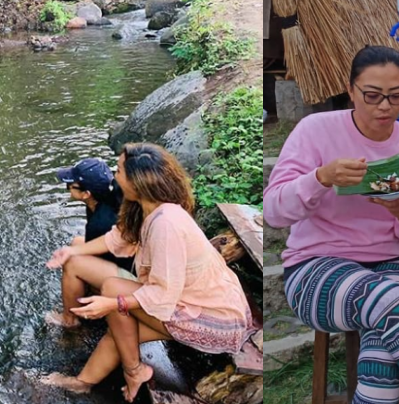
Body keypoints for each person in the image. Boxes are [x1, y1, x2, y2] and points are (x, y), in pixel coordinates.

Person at [265, 45, 399, 404]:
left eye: (395, 96)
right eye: (372, 95)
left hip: (391, 264)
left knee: (383, 351)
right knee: (391, 302)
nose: (384, 106)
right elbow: (274, 212)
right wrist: (320, 177)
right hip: (316, 266)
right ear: (351, 90)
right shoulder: (315, 131)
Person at [42, 143, 254, 402]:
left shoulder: (166, 224)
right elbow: (118, 240)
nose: (114, 174)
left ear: (137, 182)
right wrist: (72, 252)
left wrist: (113, 303)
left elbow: (164, 295)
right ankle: (84, 382)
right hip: (188, 301)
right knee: (121, 330)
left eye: (119, 170)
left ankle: (132, 372)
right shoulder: (147, 207)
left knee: (114, 295)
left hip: (213, 319)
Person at [45, 158, 135, 329]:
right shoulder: (103, 200)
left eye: (70, 186)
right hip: (125, 260)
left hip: (133, 279)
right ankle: (80, 294)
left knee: (72, 263)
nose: (68, 188)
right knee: (76, 242)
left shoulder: (101, 222)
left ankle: (70, 320)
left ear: (86, 194)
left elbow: (104, 253)